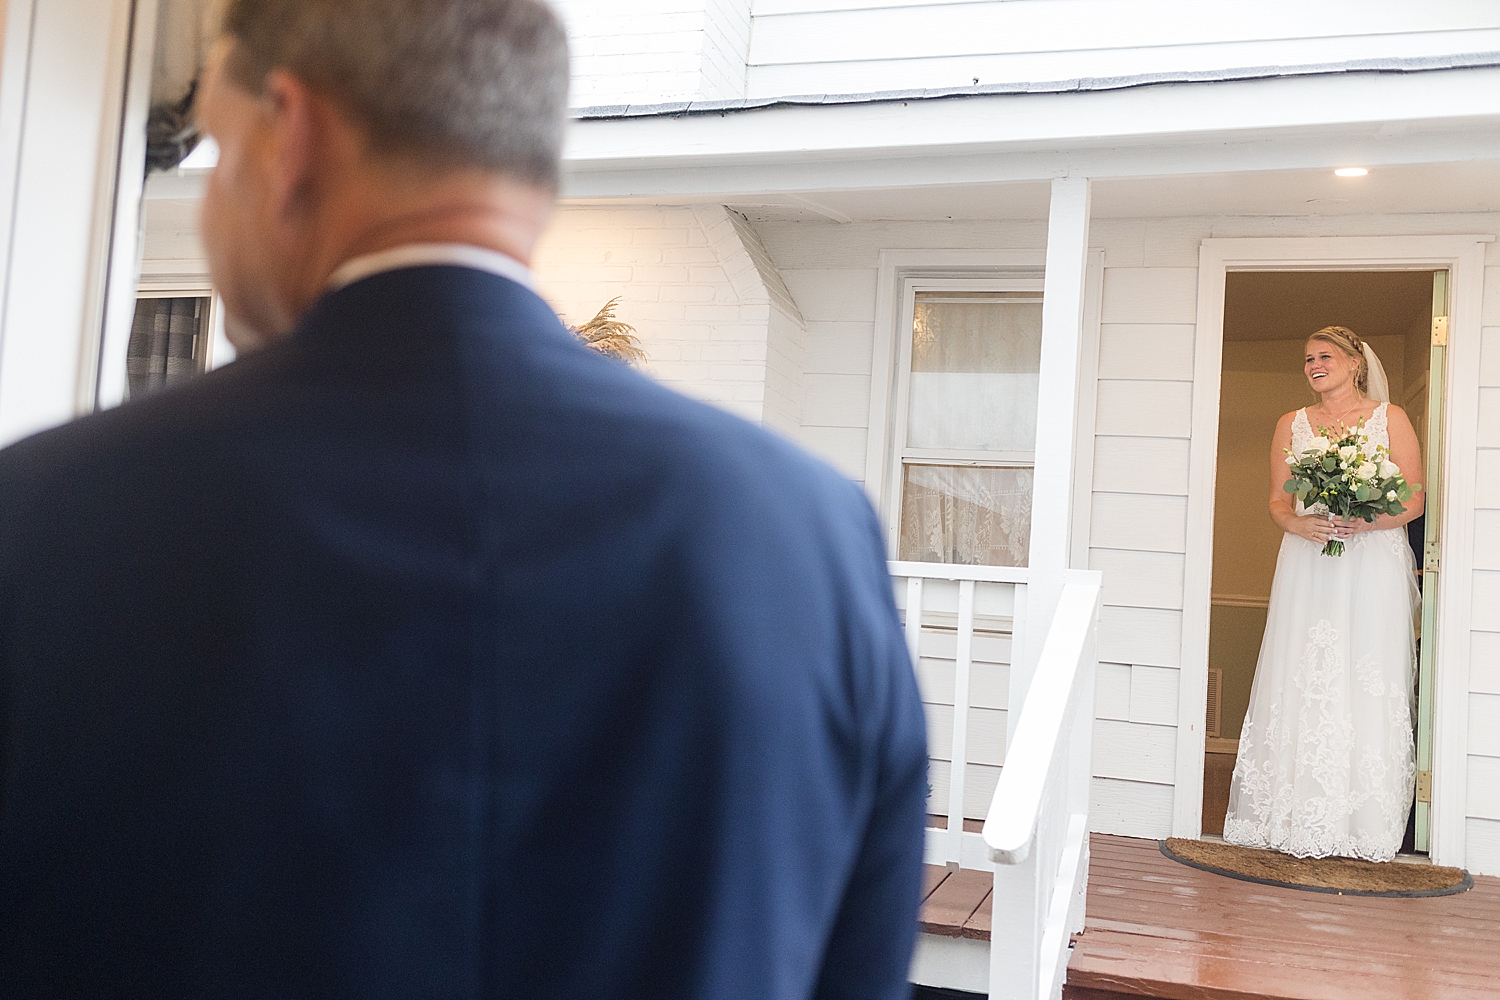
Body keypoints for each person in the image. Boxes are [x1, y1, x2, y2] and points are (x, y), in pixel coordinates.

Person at [0, 2, 929, 996]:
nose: (215, 200)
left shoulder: (48, 517)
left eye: (220, 152)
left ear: (292, 136)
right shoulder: (814, 543)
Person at [1223, 325, 1424, 862]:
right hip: (1309, 560)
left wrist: (1365, 518)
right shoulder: (1291, 424)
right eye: (1308, 358)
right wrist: (1298, 525)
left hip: (1371, 559)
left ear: (1356, 362)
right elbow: (1277, 502)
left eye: (1326, 355)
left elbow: (1415, 499)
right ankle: (1287, 813)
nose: (1315, 364)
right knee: (1302, 670)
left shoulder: (1391, 419)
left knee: (1365, 672)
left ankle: (1363, 822)